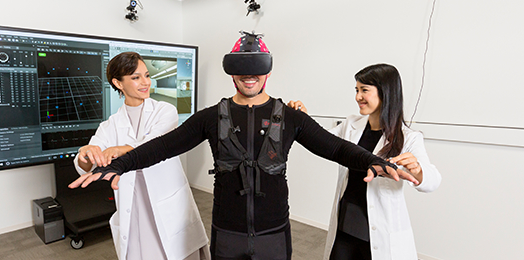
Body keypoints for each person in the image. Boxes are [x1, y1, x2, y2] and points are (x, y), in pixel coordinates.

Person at [70, 32, 419, 260]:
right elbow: (162, 147)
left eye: (256, 68)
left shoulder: (290, 117)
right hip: (227, 232)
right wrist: (119, 163)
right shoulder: (210, 117)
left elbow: (335, 148)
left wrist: (370, 159)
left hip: (273, 233)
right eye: (242, 68)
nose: (249, 75)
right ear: (232, 71)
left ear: (266, 71)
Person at [72, 52, 210, 260]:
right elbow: (88, 161)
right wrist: (86, 154)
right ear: (118, 83)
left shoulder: (165, 111)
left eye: (146, 75)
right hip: (134, 207)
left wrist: (120, 150)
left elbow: (155, 146)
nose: (146, 82)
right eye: (136, 78)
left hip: (168, 203)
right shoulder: (110, 125)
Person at [303, 63, 441, 260]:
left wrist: (418, 170)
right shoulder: (351, 125)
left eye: (364, 90)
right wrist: (301, 118)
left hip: (378, 231)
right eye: (357, 90)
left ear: (385, 92)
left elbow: (433, 181)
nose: (358, 97)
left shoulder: (409, 138)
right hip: (346, 224)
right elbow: (321, 141)